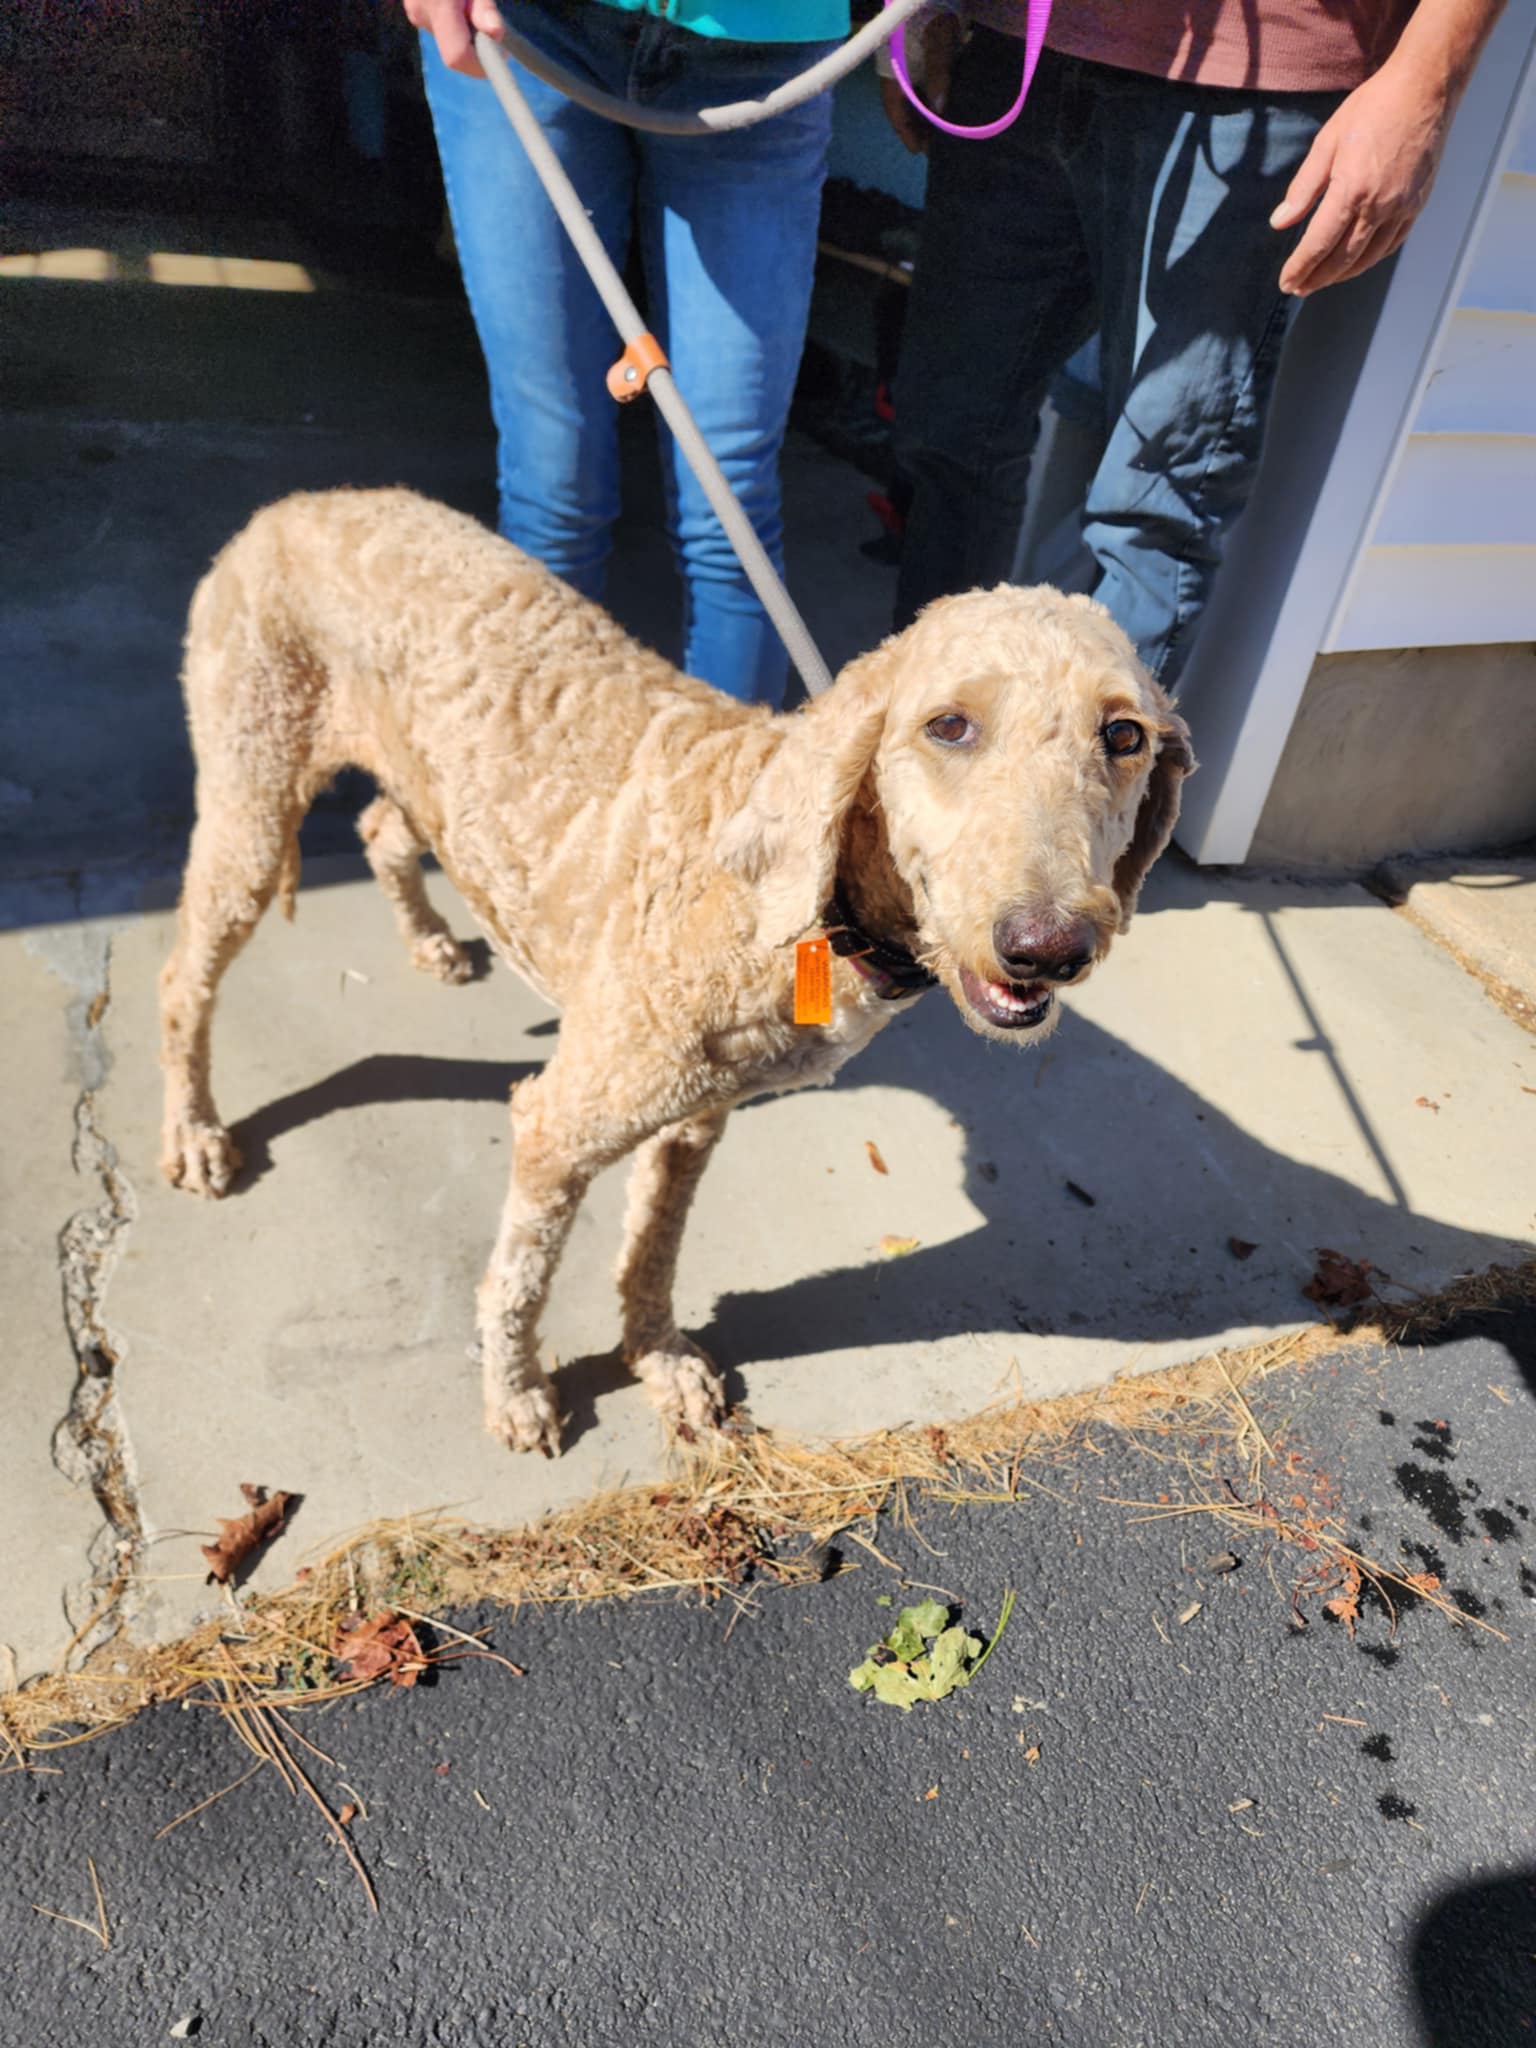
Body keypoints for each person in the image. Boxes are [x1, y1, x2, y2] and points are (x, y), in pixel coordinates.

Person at [886, 0, 1507, 690]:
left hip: (1261, 82)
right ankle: (927, 766)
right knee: (948, 441)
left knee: (1155, 510)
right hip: (1015, 49)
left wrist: (1426, 81)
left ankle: (1084, 796)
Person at [404, 0, 848, 707]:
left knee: (730, 514)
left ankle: (730, 815)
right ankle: (540, 806)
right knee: (553, 489)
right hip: (528, 29)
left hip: (761, 46)